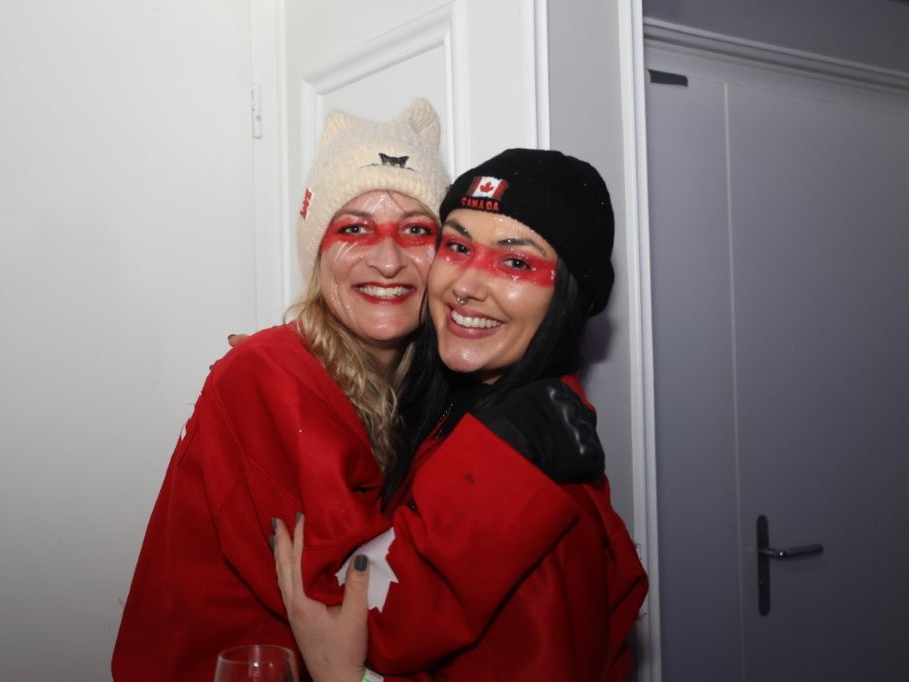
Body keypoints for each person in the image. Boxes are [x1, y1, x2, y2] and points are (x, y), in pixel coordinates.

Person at [112, 102, 600, 681]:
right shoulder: (271, 376)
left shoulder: (431, 395)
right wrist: (500, 457)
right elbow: (362, 612)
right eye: (353, 228)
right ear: (318, 253)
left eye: (416, 230)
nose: (388, 260)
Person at [273, 148, 649, 681]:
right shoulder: (448, 416)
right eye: (457, 246)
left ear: (570, 298)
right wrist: (286, 368)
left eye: (516, 262)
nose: (465, 286)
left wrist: (343, 677)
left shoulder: (544, 506)